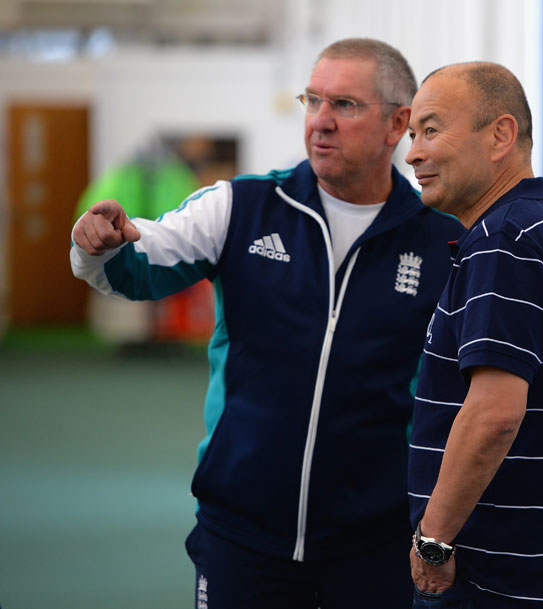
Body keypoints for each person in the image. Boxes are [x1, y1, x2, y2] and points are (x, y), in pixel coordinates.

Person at [70, 38, 462, 609]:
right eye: (312, 100)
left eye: (345, 105)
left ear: (397, 123)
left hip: (377, 542)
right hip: (242, 534)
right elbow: (136, 262)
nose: (321, 122)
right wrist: (99, 246)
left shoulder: (440, 240)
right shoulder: (241, 207)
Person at [405, 62, 543, 608]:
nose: (412, 153)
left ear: (501, 135)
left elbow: (494, 414)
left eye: (431, 130)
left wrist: (433, 540)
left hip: (497, 581)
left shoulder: (503, 242)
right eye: (412, 135)